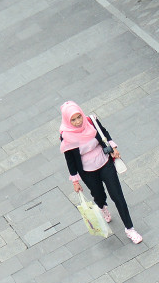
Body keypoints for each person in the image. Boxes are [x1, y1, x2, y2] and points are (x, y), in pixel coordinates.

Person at [59, 101, 142, 244]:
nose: (78, 121)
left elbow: (104, 134)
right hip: (87, 171)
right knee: (98, 195)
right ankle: (102, 206)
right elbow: (70, 160)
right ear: (67, 120)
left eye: (79, 117)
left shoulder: (91, 121)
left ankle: (130, 229)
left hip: (105, 163)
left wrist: (113, 147)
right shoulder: (66, 136)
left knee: (118, 196)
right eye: (73, 119)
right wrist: (75, 181)